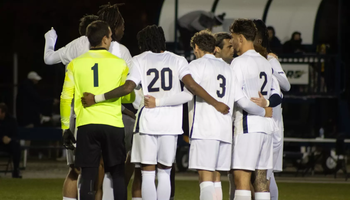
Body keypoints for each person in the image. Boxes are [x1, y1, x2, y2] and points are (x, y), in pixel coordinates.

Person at [81, 25, 229, 200]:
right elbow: (191, 88)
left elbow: (128, 87)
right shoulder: (178, 60)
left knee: (148, 174)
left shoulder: (139, 59)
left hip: (148, 123)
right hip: (171, 125)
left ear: (143, 43)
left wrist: (97, 98)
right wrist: (216, 103)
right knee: (165, 173)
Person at [44, 4, 136, 200]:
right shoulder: (120, 59)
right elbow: (130, 93)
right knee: (117, 173)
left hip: (83, 123)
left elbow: (64, 95)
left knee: (82, 173)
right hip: (113, 122)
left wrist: (64, 127)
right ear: (106, 37)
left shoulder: (76, 61)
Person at [230, 19, 276, 200]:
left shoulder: (239, 63)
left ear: (240, 38)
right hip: (266, 128)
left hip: (248, 126)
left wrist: (261, 111)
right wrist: (265, 111)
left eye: (233, 38)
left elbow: (238, 98)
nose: (232, 42)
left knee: (241, 178)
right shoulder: (265, 62)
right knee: (261, 179)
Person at [253, 19, 291, 200]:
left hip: (272, 124)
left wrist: (272, 65)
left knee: (265, 175)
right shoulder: (250, 61)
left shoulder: (269, 61)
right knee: (262, 175)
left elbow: (286, 85)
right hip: (258, 122)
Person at [0, 103, 22, 178]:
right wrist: (2, 138)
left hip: (9, 144)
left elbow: (16, 135)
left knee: (16, 147)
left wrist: (10, 139)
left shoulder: (12, 121)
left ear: (4, 113)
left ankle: (16, 170)